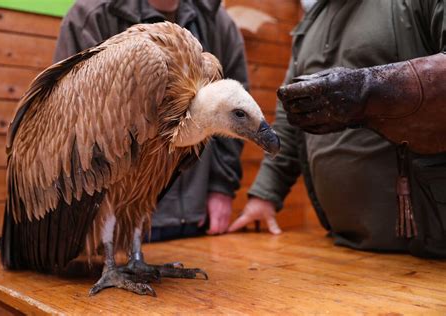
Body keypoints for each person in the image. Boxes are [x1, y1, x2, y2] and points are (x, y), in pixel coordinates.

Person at [230, 0, 446, 258]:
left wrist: (369, 88)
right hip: (340, 246)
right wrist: (265, 195)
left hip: (427, 248)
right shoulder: (310, 24)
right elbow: (291, 118)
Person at [54, 0, 249, 241]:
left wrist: (222, 187)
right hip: (105, 221)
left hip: (195, 212)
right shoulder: (91, 15)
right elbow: (68, 123)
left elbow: (235, 109)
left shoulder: (215, 19)